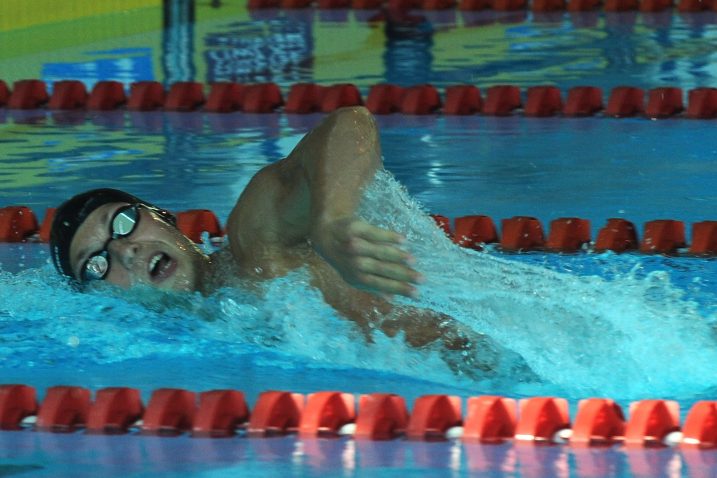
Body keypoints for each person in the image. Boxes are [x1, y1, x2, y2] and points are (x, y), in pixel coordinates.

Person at [50, 106, 531, 380]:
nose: (124, 250)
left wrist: (332, 218)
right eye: (95, 265)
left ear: (166, 219)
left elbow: (349, 123)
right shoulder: (186, 346)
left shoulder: (254, 244)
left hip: (506, 364)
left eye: (123, 224)